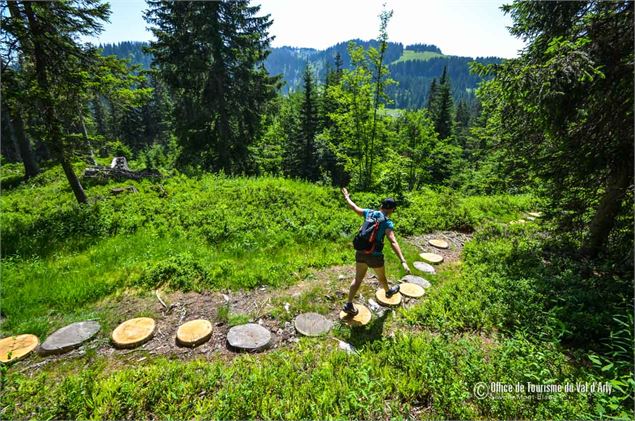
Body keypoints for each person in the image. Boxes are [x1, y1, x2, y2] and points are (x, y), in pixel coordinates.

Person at [341, 187, 411, 316]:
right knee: (382, 277)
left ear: (381, 206)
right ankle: (388, 291)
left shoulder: (369, 213)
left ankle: (349, 304)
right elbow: (393, 241)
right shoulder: (387, 222)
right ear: (391, 210)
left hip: (361, 252)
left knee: (357, 279)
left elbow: (354, 207)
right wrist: (403, 261)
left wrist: (347, 197)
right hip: (375, 255)